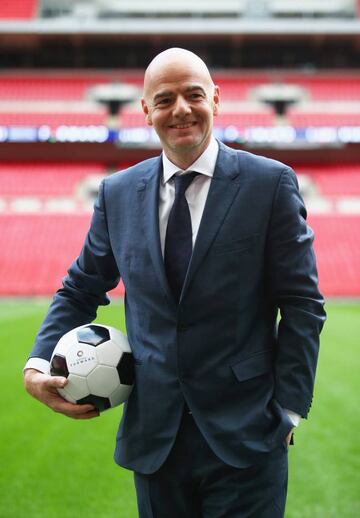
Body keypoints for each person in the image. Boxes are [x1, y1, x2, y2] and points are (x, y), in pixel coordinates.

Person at [24, 48, 326, 517]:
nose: (181, 109)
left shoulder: (270, 185)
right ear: (146, 111)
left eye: (194, 94)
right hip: (155, 438)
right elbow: (81, 288)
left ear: (216, 100)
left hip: (248, 434)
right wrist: (38, 363)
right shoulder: (117, 193)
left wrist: (288, 408)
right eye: (164, 99)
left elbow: (303, 303)